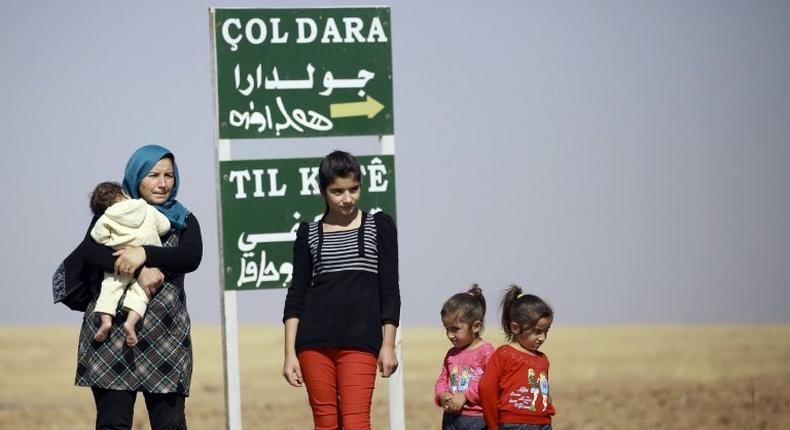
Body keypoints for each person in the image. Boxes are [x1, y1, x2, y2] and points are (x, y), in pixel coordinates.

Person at [74, 145, 202, 430]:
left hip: (166, 335)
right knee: (113, 423)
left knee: (170, 425)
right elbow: (91, 253)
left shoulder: (183, 218)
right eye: (153, 174)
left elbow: (191, 256)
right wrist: (141, 270)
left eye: (169, 175)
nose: (162, 183)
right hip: (112, 336)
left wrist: (145, 254)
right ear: (135, 177)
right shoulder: (112, 212)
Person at [282, 150, 401, 430]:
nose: (347, 198)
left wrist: (388, 344)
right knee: (325, 424)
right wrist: (289, 354)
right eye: (337, 192)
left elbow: (390, 289)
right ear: (322, 191)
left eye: (354, 189)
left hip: (361, 342)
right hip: (313, 344)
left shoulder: (379, 226)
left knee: (357, 423)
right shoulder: (308, 233)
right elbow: (296, 295)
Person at [88, 181, 171, 347]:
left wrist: (115, 242)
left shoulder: (106, 217)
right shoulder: (146, 208)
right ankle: (131, 323)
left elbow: (97, 237)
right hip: (148, 264)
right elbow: (165, 226)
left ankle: (106, 322)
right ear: (124, 194)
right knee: (141, 293)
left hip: (120, 264)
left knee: (109, 290)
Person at [478, 285, 556, 430]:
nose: (542, 338)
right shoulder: (504, 354)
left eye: (546, 331)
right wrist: (493, 426)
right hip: (514, 425)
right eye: (537, 331)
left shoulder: (542, 359)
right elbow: (486, 389)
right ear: (515, 328)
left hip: (544, 424)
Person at [434, 284, 495, 430]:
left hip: (477, 420)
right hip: (451, 419)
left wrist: (465, 396)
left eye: (455, 329)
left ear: (476, 326)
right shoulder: (451, 354)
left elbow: (489, 384)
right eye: (447, 329)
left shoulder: (486, 352)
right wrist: (442, 395)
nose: (449, 335)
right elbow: (443, 379)